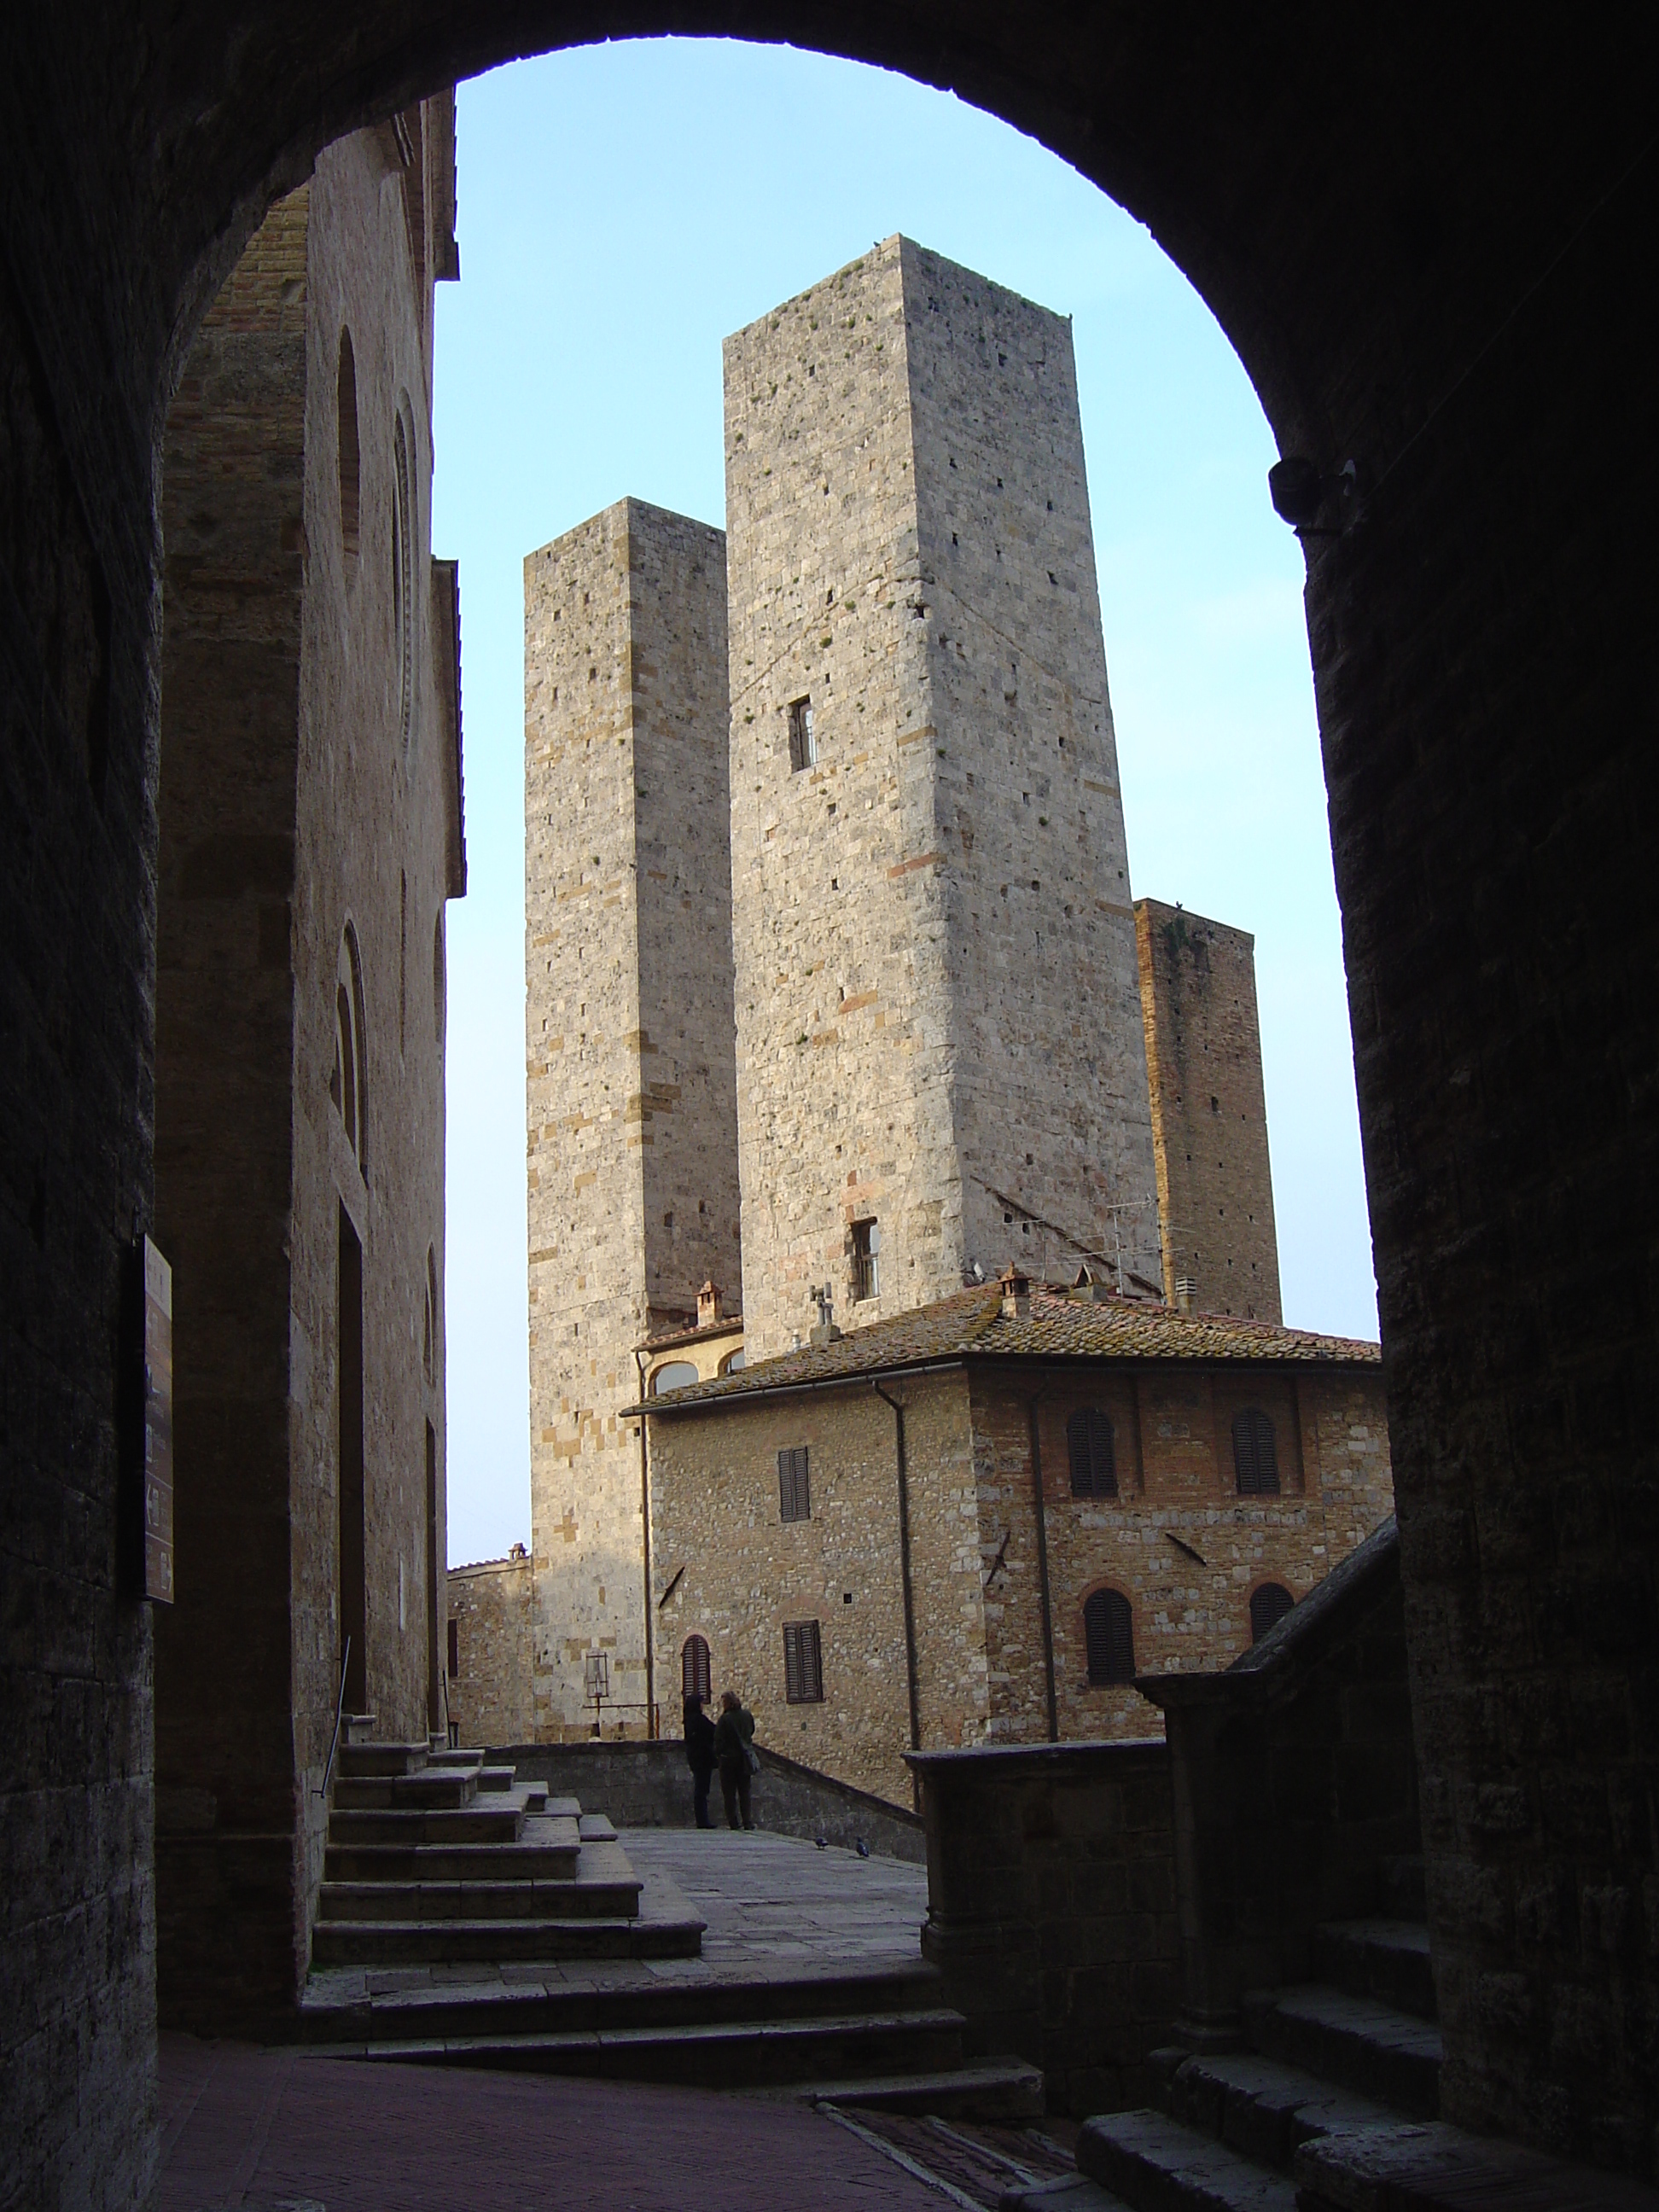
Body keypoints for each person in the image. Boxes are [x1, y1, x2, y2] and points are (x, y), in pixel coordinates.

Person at [713, 1687, 756, 1831]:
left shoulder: (724, 1720)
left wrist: (720, 1754)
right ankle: (747, 1822)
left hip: (728, 1761)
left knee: (729, 1794)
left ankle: (734, 1822)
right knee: (745, 1791)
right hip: (744, 1759)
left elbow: (718, 1741)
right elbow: (751, 1731)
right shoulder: (747, 1716)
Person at [683, 1692, 716, 1830]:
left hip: (695, 1758)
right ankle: (702, 1820)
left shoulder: (689, 1720)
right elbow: (714, 1731)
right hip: (702, 1758)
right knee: (702, 1790)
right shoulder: (699, 1720)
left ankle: (702, 1819)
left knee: (700, 1789)